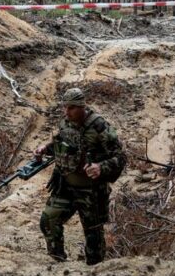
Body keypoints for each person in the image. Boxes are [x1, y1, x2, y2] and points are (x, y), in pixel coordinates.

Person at [34, 88, 126, 265]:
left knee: (93, 235)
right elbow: (61, 144)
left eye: (71, 108)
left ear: (82, 107)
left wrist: (101, 167)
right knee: (48, 220)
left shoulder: (99, 127)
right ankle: (58, 263)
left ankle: (94, 270)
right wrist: (45, 148)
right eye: (65, 107)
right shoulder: (65, 123)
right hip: (65, 185)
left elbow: (121, 157)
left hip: (91, 191)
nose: (66, 112)